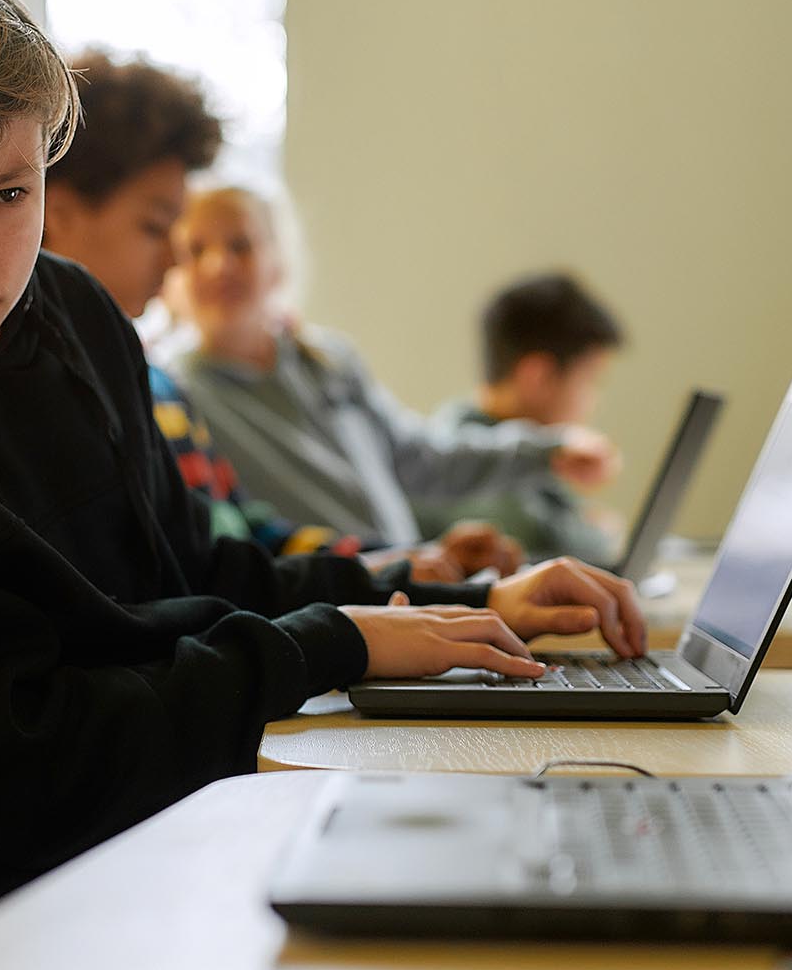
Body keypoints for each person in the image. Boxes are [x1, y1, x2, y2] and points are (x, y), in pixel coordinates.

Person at [0, 0, 647, 910]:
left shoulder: (64, 308)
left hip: (161, 834)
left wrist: (436, 600)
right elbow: (6, 771)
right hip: (9, 915)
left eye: (8, 194)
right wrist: (329, 644)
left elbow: (188, 569)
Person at [43, 48, 519, 580]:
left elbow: (244, 537)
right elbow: (194, 590)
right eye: (157, 228)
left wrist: (402, 565)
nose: (178, 260)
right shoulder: (69, 396)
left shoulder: (153, 385)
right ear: (57, 216)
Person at [166, 183, 620, 548]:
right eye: (196, 250)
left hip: (404, 591)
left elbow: (418, 458)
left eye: (240, 245)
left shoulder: (327, 360)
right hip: (322, 606)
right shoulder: (176, 391)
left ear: (278, 261)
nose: (218, 265)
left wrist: (548, 450)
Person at [414, 272, 626, 565]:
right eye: (589, 380)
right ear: (537, 377)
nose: (593, 400)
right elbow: (557, 546)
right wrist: (599, 531)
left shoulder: (527, 450)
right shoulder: (466, 467)